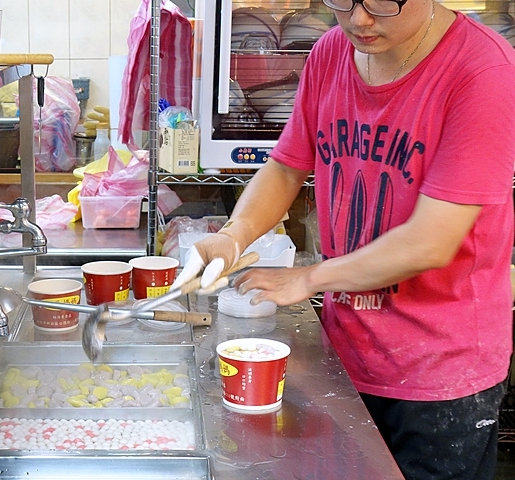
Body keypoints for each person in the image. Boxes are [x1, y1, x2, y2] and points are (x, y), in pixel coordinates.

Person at [172, 0, 515, 478]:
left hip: (440, 372)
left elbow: (430, 242)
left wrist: (310, 277)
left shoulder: (483, 70)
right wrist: (233, 236)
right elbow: (287, 166)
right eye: (343, 0)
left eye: (381, 0)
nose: (359, 19)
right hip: (346, 352)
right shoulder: (331, 51)